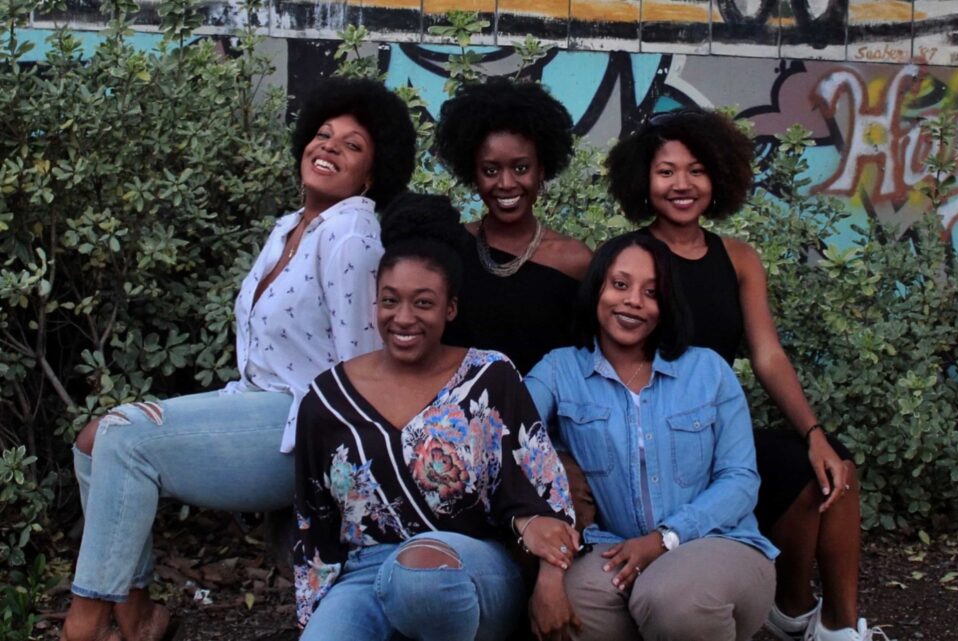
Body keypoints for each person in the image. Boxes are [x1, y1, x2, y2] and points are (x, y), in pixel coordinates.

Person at [62, 77, 417, 641]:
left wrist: (351, 489)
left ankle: (82, 625)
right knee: (92, 441)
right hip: (254, 404)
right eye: (323, 134)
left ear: (371, 175)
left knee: (125, 437)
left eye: (352, 146)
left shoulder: (351, 231)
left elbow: (363, 364)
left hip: (301, 429)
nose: (328, 147)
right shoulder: (289, 228)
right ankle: (137, 615)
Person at [605, 108, 883, 641]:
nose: (682, 185)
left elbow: (768, 355)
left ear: (719, 177)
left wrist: (814, 433)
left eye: (697, 170)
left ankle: (838, 625)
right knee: (795, 475)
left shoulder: (739, 258)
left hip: (723, 430)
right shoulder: (631, 258)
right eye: (666, 171)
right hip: (658, 439)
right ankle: (791, 606)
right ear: (644, 179)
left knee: (831, 471)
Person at [292, 192, 578, 641]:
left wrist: (550, 581)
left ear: (451, 308)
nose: (403, 318)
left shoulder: (489, 378)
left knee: (421, 577)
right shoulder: (327, 399)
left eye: (423, 303)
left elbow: (545, 498)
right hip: (365, 575)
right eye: (390, 301)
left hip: (469, 570)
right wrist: (318, 615)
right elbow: (315, 524)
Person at [525, 233, 778, 641]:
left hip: (716, 541)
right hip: (613, 546)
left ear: (666, 306)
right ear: (597, 290)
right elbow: (511, 442)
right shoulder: (559, 371)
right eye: (620, 285)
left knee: (674, 601)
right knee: (570, 611)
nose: (633, 301)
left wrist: (664, 539)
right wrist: (550, 571)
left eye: (651, 292)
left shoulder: (708, 371)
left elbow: (740, 480)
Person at [434, 77, 592, 374]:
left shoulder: (575, 261)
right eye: (490, 170)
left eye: (521, 168)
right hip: (454, 417)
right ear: (473, 174)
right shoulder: (450, 247)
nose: (506, 184)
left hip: (543, 417)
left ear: (542, 170)